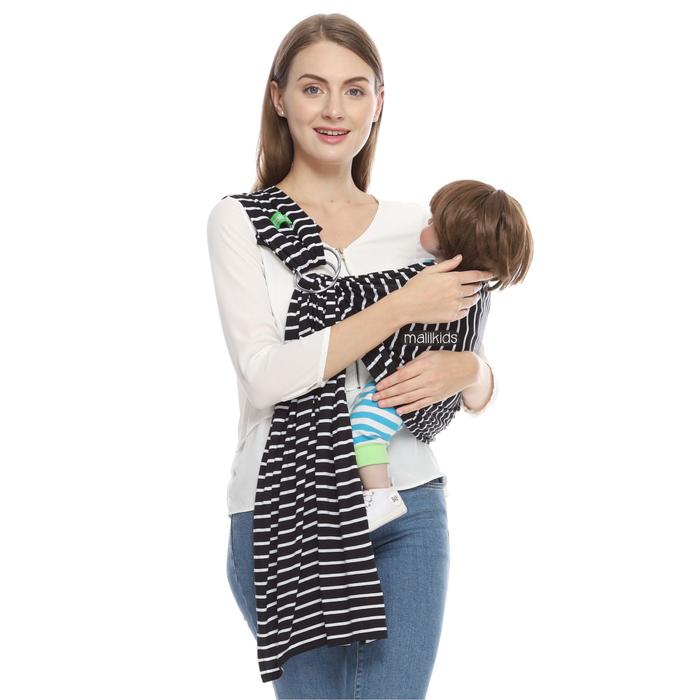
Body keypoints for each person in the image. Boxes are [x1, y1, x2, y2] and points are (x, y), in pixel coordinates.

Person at [207, 13, 498, 698]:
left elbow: (471, 363)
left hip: (407, 507)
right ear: (279, 98)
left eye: (355, 90)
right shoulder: (242, 222)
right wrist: (399, 305)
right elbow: (265, 374)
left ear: (379, 102)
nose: (334, 110)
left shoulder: (421, 226)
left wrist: (473, 372)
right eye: (313, 88)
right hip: (284, 512)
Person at [351, 179, 533, 532]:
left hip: (407, 391)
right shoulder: (479, 292)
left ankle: (379, 493)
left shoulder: (429, 280)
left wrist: (472, 369)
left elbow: (367, 294)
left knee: (364, 427)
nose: (426, 221)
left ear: (456, 244)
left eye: (434, 222)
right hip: (434, 406)